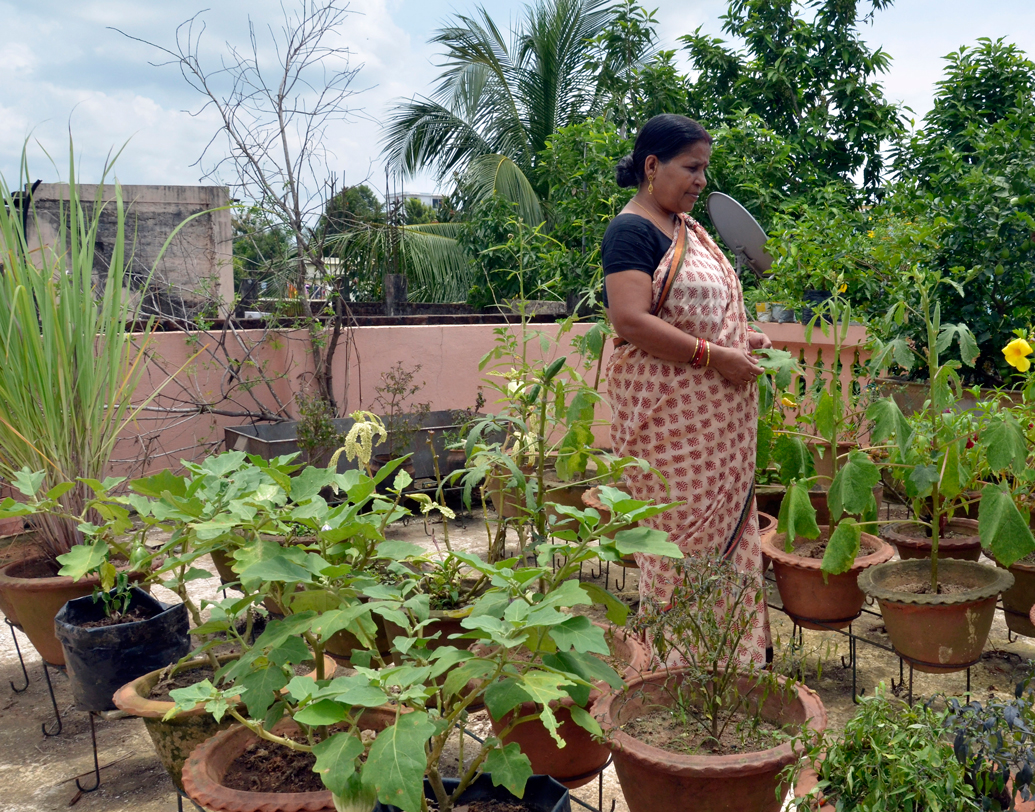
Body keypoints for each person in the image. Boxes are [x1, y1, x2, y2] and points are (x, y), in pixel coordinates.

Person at [602, 114, 772, 665]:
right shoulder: (633, 231)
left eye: (705, 168)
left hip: (716, 430)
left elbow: (697, 318)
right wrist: (714, 355)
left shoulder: (685, 231)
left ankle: (728, 666)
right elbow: (630, 321)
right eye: (691, 167)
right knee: (679, 546)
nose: (701, 180)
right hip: (669, 432)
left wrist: (742, 339)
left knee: (723, 548)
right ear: (652, 166)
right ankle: (675, 671)